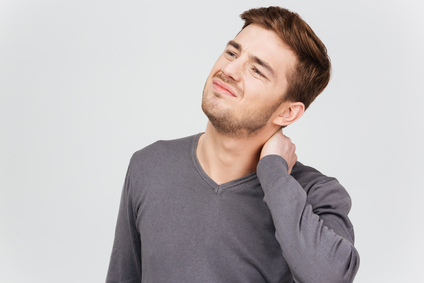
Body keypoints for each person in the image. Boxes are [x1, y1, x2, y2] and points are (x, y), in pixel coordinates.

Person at [106, 6, 360, 283]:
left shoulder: (316, 193)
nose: (228, 70)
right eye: (232, 53)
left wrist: (274, 174)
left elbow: (330, 277)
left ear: (287, 113)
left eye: (257, 70)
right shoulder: (150, 165)